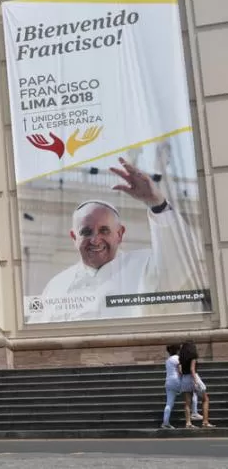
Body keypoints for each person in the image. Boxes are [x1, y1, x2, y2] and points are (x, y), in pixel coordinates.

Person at [33, 157, 206, 324]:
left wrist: (157, 204)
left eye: (104, 230)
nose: (95, 239)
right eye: (86, 232)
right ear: (74, 237)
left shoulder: (145, 265)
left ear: (120, 234)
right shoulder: (56, 285)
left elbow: (179, 262)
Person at [161, 343, 201, 428]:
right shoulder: (178, 359)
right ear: (178, 350)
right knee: (192, 393)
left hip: (168, 382)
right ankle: (194, 412)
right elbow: (180, 370)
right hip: (177, 381)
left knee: (169, 403)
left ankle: (165, 422)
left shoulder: (168, 360)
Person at [178, 341, 214, 428]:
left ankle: (188, 423)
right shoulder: (193, 356)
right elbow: (192, 369)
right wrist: (195, 381)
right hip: (193, 377)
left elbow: (180, 370)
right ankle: (205, 422)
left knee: (187, 403)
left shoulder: (181, 358)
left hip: (185, 378)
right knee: (205, 399)